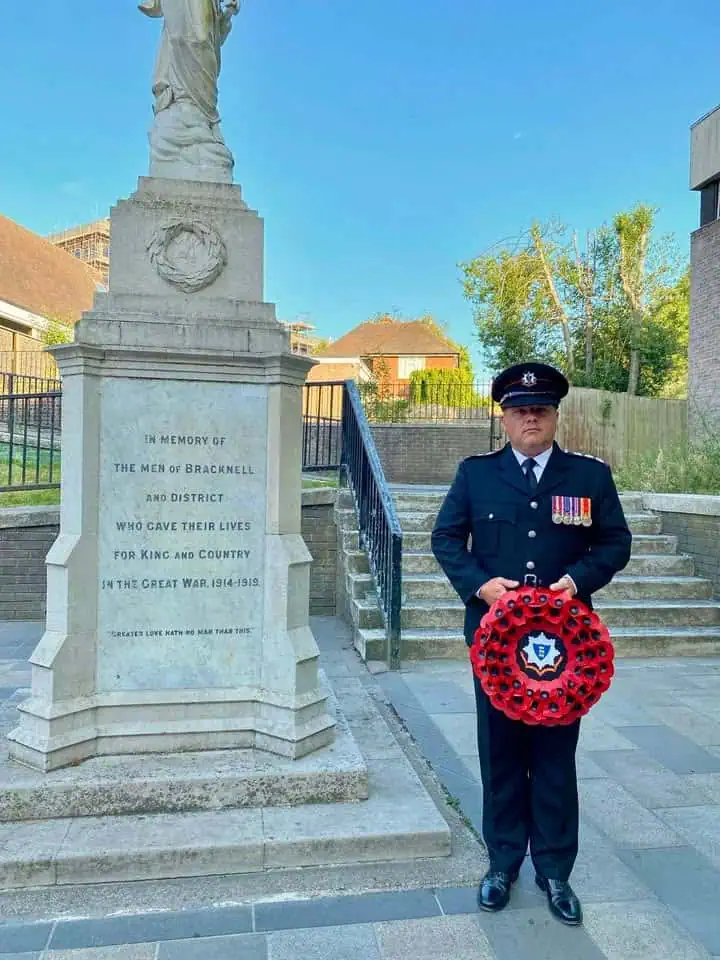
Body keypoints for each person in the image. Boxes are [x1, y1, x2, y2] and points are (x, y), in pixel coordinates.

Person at [431, 362, 631, 926]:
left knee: (553, 757)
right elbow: (445, 537)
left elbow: (615, 542)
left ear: (554, 415)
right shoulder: (478, 475)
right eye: (520, 410)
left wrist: (578, 581)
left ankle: (555, 869)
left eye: (540, 408)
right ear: (504, 417)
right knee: (499, 752)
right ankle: (501, 863)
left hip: (565, 649)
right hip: (496, 645)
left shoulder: (587, 478)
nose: (530, 417)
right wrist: (481, 585)